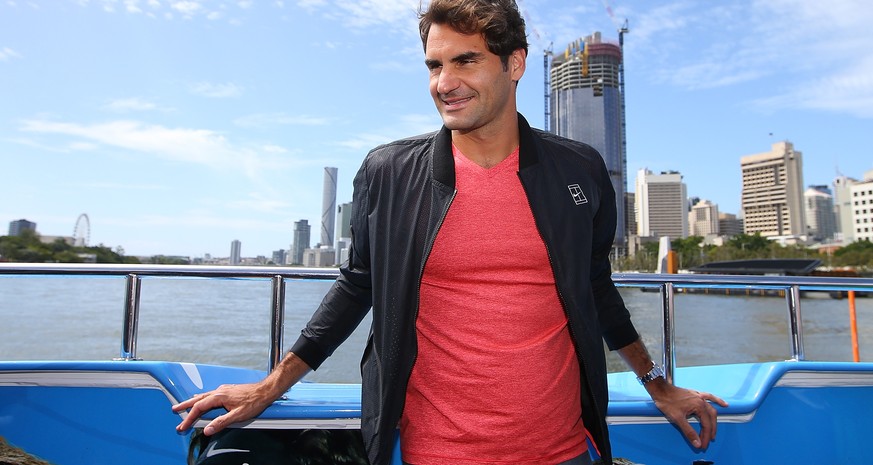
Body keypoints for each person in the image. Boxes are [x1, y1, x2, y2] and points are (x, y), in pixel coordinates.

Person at [173, 1, 728, 464]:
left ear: (515, 64)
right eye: (434, 65)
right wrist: (271, 387)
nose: (445, 83)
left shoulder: (578, 171)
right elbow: (356, 287)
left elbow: (598, 292)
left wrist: (660, 384)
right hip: (435, 452)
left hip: (564, 450)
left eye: (465, 61)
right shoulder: (390, 172)